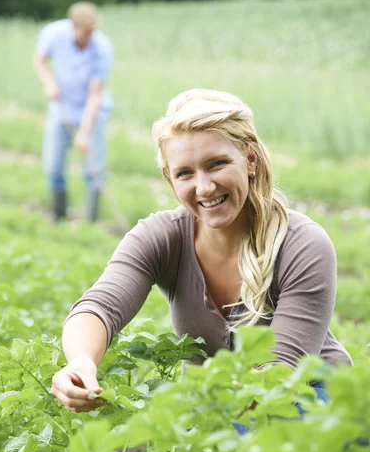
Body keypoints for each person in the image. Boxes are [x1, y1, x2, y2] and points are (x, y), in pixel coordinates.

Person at [51, 88, 352, 412]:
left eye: (217, 164)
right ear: (170, 178)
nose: (204, 187)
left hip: (314, 400)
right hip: (217, 405)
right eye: (185, 173)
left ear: (250, 160)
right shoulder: (162, 237)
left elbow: (278, 375)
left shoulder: (303, 244)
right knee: (127, 448)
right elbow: (100, 306)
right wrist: (81, 362)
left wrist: (176, 421)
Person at [33, 2, 114, 222]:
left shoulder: (102, 47)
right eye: (85, 32)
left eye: (92, 32)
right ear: (73, 26)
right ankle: (59, 218)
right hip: (61, 108)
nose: (89, 36)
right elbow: (39, 60)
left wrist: (84, 132)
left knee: (93, 169)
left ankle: (90, 222)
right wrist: (49, 82)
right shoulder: (53, 34)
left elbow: (95, 95)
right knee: (53, 166)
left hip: (93, 112)